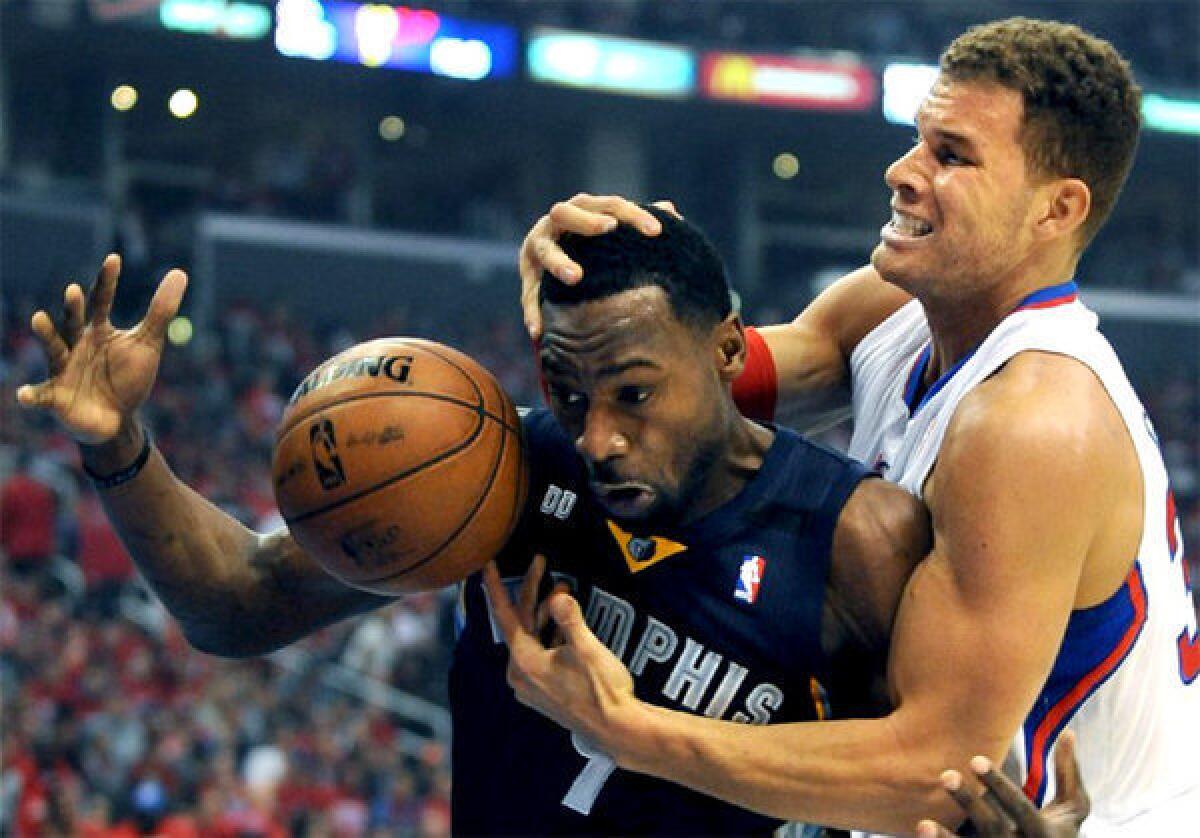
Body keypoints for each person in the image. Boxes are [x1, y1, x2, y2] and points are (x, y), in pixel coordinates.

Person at [18, 212, 933, 834]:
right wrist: (118, 447)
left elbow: (928, 784)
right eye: (567, 393)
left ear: (729, 349)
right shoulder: (511, 472)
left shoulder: (856, 540)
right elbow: (237, 605)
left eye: (635, 393)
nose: (600, 435)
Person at [513, 17, 1200, 836]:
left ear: (1057, 209)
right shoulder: (903, 308)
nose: (902, 171)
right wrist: (592, 297)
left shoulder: (1035, 421)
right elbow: (701, 381)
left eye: (952, 155)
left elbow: (933, 770)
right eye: (918, 139)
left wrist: (631, 731)